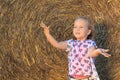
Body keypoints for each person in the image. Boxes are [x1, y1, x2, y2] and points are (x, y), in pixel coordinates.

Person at [40, 16, 111, 80]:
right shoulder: (71, 43)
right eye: (75, 27)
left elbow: (91, 54)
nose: (77, 29)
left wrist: (97, 51)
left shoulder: (90, 43)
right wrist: (47, 34)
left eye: (81, 27)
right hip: (72, 78)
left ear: (88, 31)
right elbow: (57, 44)